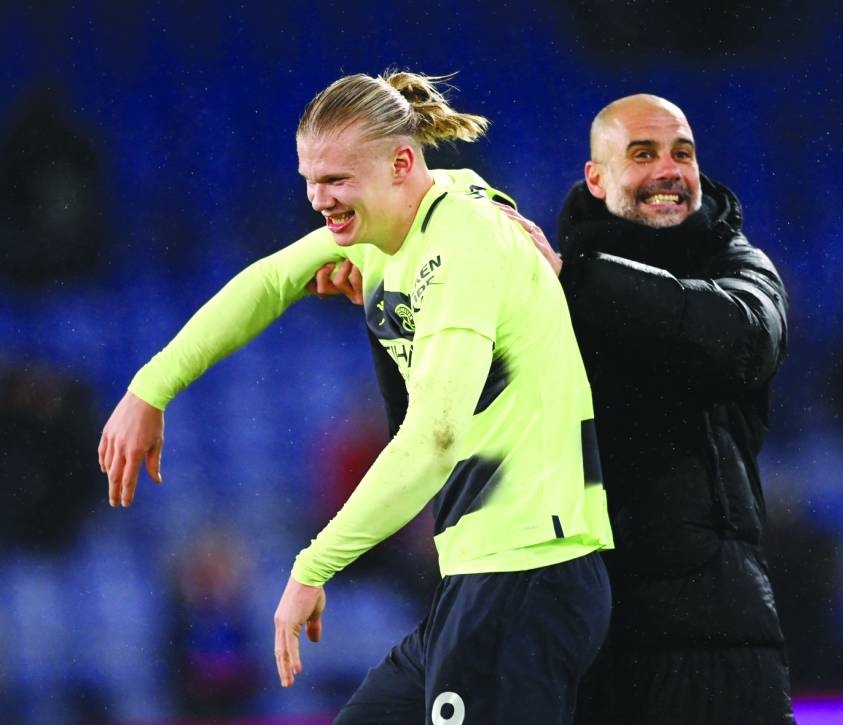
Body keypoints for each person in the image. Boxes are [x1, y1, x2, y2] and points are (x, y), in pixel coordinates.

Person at [97, 70, 614, 724]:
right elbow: (270, 281)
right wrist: (149, 389)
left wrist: (314, 566)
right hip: (481, 576)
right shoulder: (398, 224)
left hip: (527, 574)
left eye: (336, 179)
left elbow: (435, 438)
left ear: (401, 164)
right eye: (310, 179)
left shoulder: (464, 243)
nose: (319, 199)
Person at [319, 92, 794, 723]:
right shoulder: (538, 282)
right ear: (596, 178)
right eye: (642, 154)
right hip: (572, 619)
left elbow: (743, 342)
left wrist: (576, 279)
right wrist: (395, 302)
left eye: (682, 153)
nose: (668, 169)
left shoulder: (732, 265)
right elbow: (438, 426)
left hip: (709, 638)